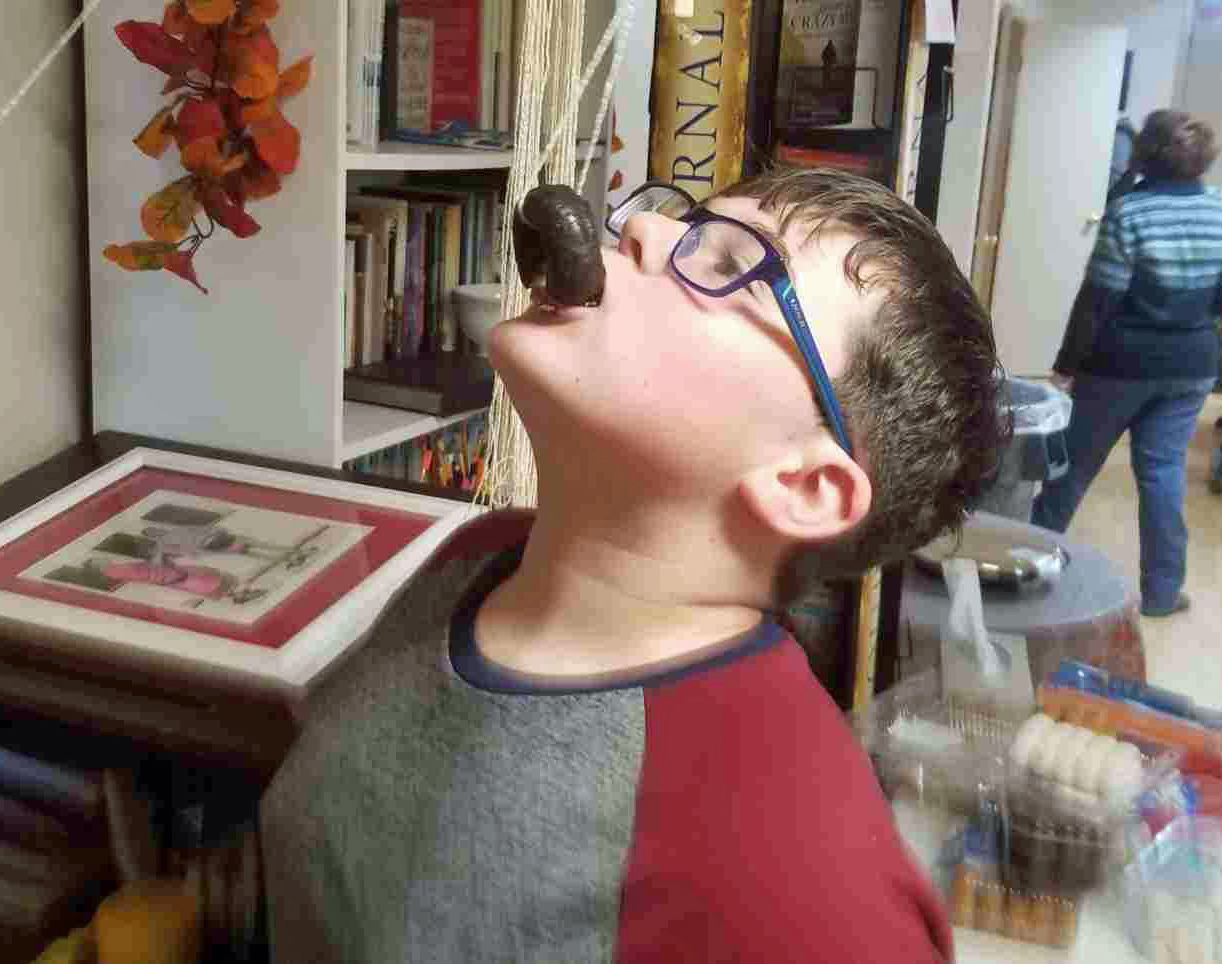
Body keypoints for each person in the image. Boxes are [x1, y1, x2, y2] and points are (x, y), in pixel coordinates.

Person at [258, 168, 1006, 962]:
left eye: (733, 266)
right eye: (689, 219)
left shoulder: (811, 894)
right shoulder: (474, 561)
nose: (642, 229)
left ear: (805, 487)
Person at [1032, 110, 1222, 619]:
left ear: (1145, 154)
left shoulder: (1130, 212)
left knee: (1071, 469)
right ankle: (1162, 593)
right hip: (1192, 364)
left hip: (1120, 366)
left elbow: (1099, 299)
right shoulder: (1219, 210)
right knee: (1163, 473)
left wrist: (1066, 365)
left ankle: (1026, 566)